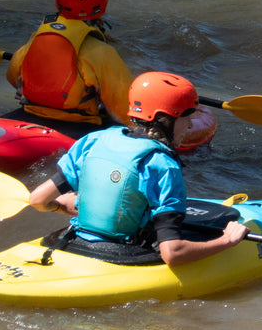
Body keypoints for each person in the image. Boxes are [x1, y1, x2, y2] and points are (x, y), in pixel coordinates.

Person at [27, 71, 248, 268]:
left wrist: (84, 207)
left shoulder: (94, 140)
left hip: (73, 242)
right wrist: (227, 240)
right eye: (186, 118)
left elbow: (38, 200)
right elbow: (172, 253)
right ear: (165, 120)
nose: (190, 126)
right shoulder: (162, 164)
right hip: (123, 254)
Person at [4, 0, 133, 128]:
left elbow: (12, 75)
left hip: (33, 113)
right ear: (102, 2)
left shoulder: (38, 38)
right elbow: (126, 111)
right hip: (78, 125)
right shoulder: (102, 52)